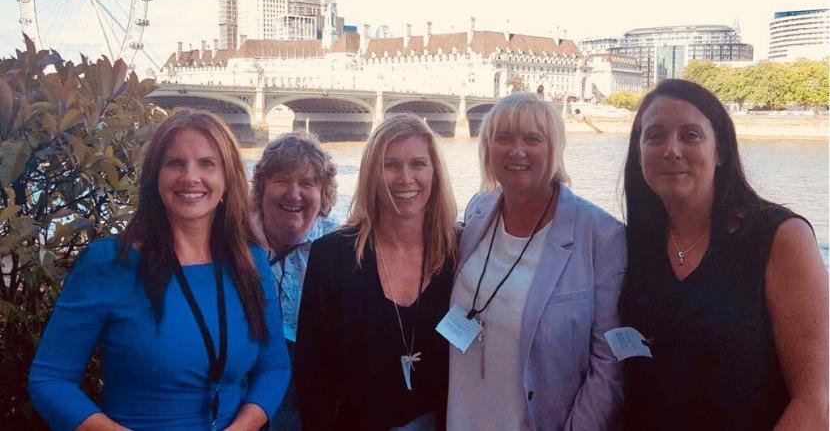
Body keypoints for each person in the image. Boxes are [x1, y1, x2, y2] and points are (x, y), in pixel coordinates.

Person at [29, 109, 291, 431]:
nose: (190, 177)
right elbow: (51, 379)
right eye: (175, 163)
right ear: (155, 177)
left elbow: (274, 366)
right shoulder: (110, 263)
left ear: (227, 177)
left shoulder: (250, 263)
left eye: (207, 163)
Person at [620, 79, 828, 430]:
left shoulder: (779, 238)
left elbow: (815, 403)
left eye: (691, 135)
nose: (671, 150)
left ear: (721, 152)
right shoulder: (631, 244)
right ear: (638, 152)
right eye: (654, 135)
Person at [447, 91, 627, 430]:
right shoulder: (478, 209)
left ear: (555, 149)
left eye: (532, 139)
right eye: (503, 138)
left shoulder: (601, 236)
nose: (517, 151)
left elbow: (609, 363)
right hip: (463, 416)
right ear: (487, 148)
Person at [295, 114, 458, 430]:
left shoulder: (459, 253)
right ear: (371, 174)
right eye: (391, 165)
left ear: (436, 173)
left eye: (418, 164)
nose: (405, 178)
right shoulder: (332, 256)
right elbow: (312, 375)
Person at [250, 133, 339, 430]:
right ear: (261, 187)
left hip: (313, 393)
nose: (294, 193)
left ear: (324, 192)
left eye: (308, 183)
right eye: (282, 180)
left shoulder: (343, 247)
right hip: (246, 392)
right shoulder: (232, 242)